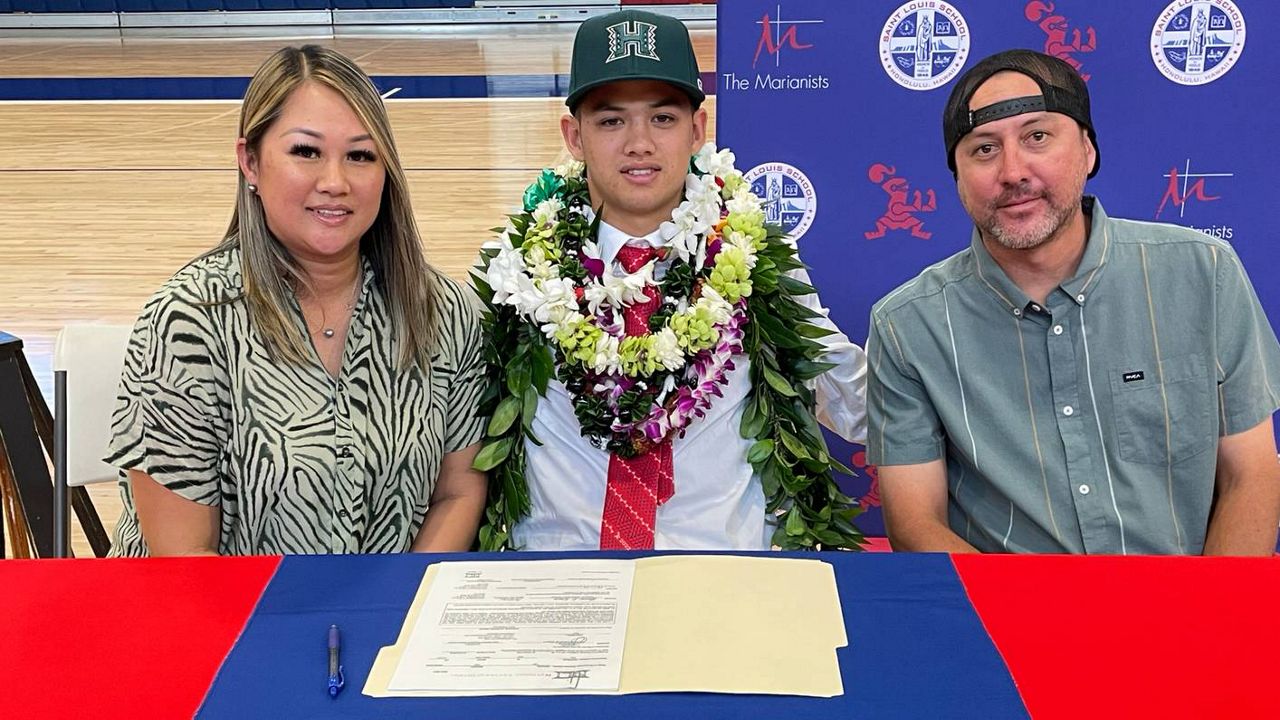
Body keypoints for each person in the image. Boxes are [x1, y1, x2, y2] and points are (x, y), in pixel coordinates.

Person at [473, 9, 867, 551]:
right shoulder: (514, 269)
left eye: (663, 118)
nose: (639, 143)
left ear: (697, 131)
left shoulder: (755, 261)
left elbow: (850, 393)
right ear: (574, 135)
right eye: (611, 121)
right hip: (556, 576)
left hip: (720, 572)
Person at [867, 49, 1280, 555]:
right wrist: (1019, 628)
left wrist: (1204, 623)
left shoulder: (1204, 272)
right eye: (983, 149)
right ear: (956, 177)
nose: (1013, 171)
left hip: (1188, 613)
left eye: (1037, 136)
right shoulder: (907, 325)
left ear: (1087, 150)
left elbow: (1251, 475)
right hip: (1006, 622)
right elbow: (915, 522)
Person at [105, 45, 487, 556]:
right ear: (251, 163)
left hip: (387, 616)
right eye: (306, 152)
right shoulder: (188, 321)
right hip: (222, 621)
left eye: (361, 155)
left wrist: (397, 612)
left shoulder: (445, 311)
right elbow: (185, 561)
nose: (335, 182)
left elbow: (457, 492)